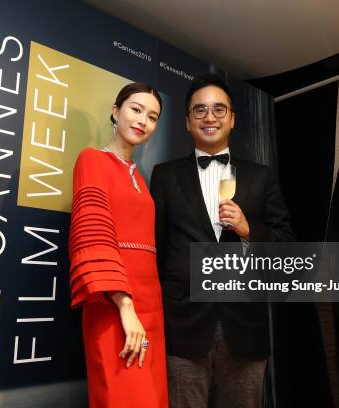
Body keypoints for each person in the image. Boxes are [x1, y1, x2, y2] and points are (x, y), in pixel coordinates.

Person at [150, 73, 294, 408]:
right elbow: (155, 248)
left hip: (245, 328)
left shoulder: (261, 176)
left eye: (218, 109)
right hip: (181, 327)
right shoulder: (164, 175)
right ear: (187, 122)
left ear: (232, 118)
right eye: (199, 111)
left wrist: (248, 230)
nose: (209, 117)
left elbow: (286, 244)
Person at [69, 83, 168, 408]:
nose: (143, 121)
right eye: (136, 110)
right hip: (113, 303)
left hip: (150, 304)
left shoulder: (140, 176)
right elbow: (91, 232)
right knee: (124, 398)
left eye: (152, 117)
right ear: (116, 111)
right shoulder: (92, 160)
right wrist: (125, 306)